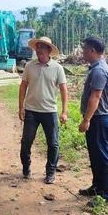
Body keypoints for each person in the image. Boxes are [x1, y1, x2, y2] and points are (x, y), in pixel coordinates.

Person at [18, 37, 68, 184]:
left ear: (49, 50)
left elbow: (64, 90)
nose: (39, 49)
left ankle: (50, 172)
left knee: (53, 144)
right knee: (26, 142)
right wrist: (21, 107)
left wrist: (64, 111)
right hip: (31, 111)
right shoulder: (29, 66)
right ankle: (26, 168)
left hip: (49, 111)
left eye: (42, 47)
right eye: (37, 46)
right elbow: (23, 86)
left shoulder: (57, 68)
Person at [78, 37, 108, 204]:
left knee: (102, 156)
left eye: (84, 49)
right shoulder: (96, 68)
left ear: (92, 50)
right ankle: (97, 187)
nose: (82, 52)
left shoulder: (99, 70)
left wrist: (86, 119)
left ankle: (106, 194)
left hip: (99, 119)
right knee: (95, 155)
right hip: (97, 119)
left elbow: (96, 96)